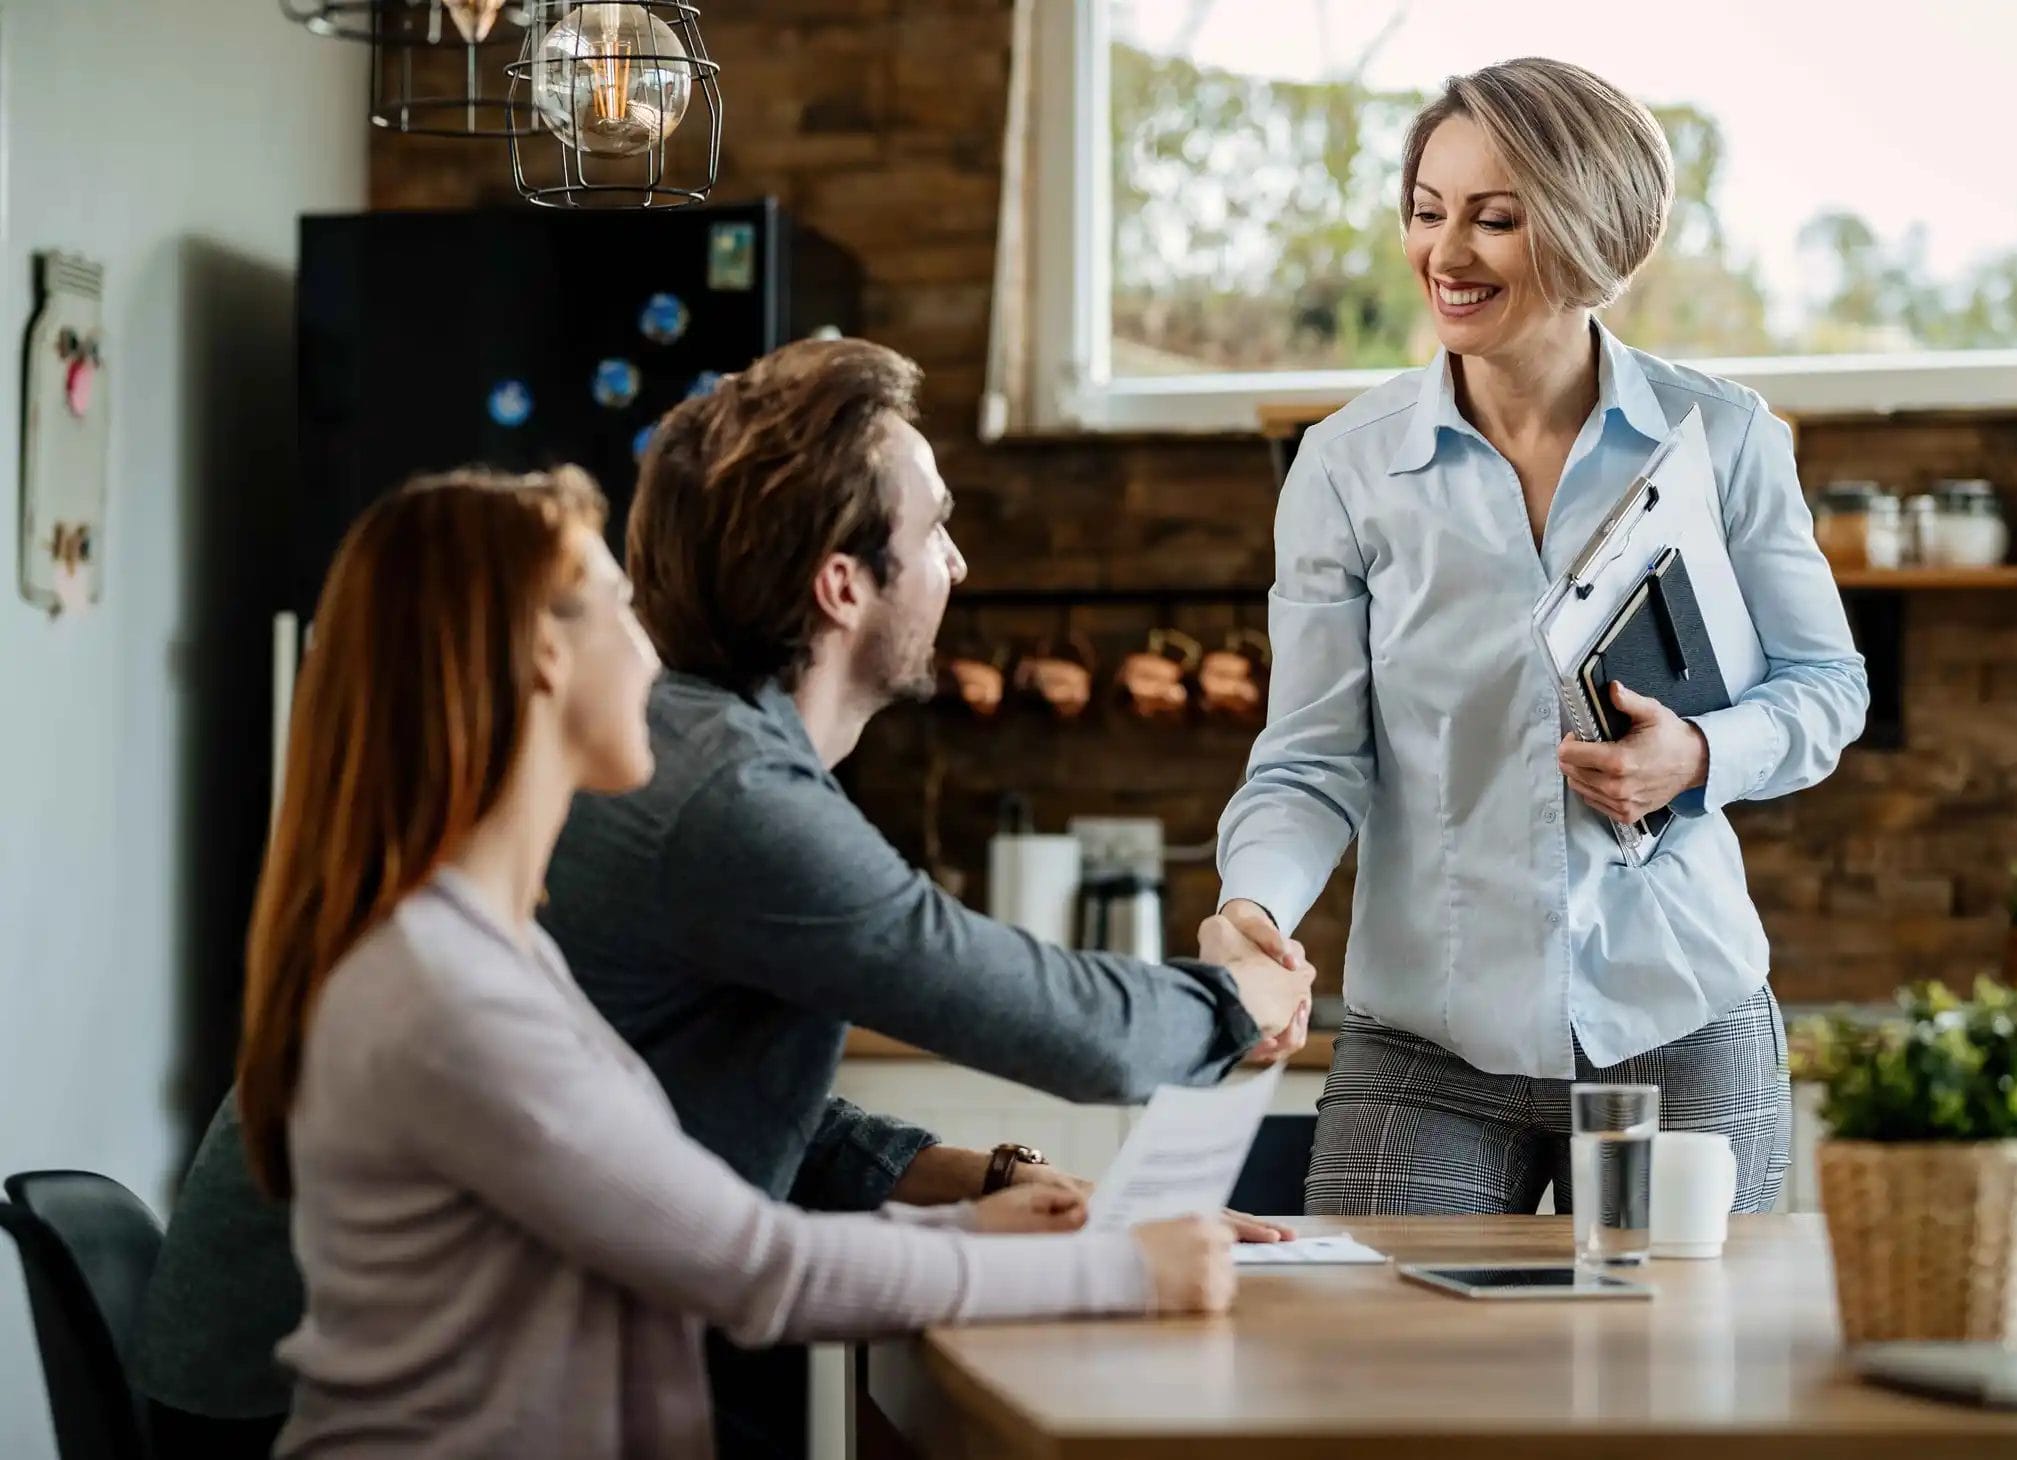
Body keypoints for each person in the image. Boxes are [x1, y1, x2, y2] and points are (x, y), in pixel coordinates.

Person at [133, 342, 1314, 1454]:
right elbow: (1038, 1026)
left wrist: (981, 1187)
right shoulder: (713, 789)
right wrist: (1234, 998)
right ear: (843, 584)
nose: (960, 562)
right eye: (938, 526)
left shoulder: (656, 804)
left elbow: (643, 1123)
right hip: (296, 1395)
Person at [1214, 58, 1868, 1217]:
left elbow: (1827, 685)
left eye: (1495, 219)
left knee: (1677, 1390)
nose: (1446, 254)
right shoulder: (1348, 469)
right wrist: (1256, 902)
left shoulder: (1721, 437)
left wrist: (1700, 754)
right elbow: (1313, 757)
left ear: (1587, 229)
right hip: (1429, 1037)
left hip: (1679, 1015)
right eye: (1427, 212)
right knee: (1384, 1379)